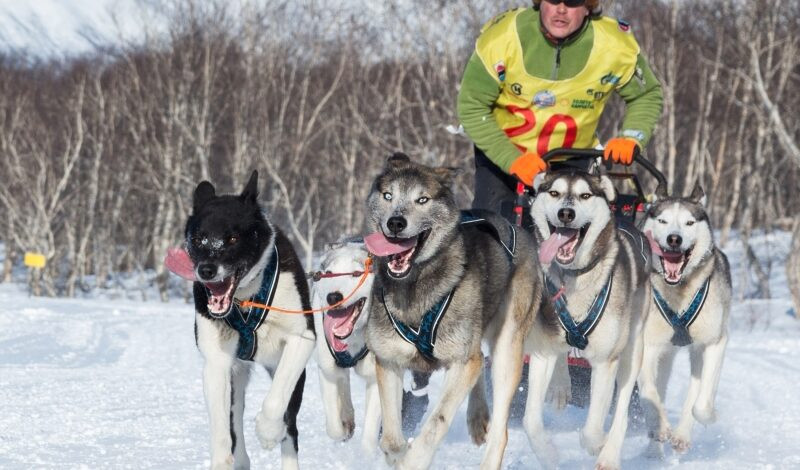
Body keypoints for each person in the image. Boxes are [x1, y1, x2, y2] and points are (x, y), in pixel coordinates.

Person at [457, 0, 663, 223]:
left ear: (588, 7)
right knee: (494, 238)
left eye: (573, 2)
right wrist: (513, 159)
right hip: (504, 160)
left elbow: (646, 95)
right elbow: (472, 105)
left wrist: (632, 137)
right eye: (553, 0)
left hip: (573, 160)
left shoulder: (615, 45)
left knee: (575, 240)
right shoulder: (503, 38)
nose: (561, 9)